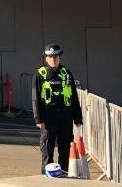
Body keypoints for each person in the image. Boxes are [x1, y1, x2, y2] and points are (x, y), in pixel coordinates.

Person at [32, 43, 82, 173]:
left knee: (65, 147)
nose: (53, 60)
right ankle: (46, 175)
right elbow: (35, 98)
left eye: (56, 57)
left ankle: (64, 173)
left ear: (60, 57)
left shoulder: (67, 74)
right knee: (47, 148)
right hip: (48, 115)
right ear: (46, 58)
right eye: (50, 57)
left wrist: (78, 118)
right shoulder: (40, 74)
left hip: (65, 115)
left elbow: (74, 97)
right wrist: (39, 120)